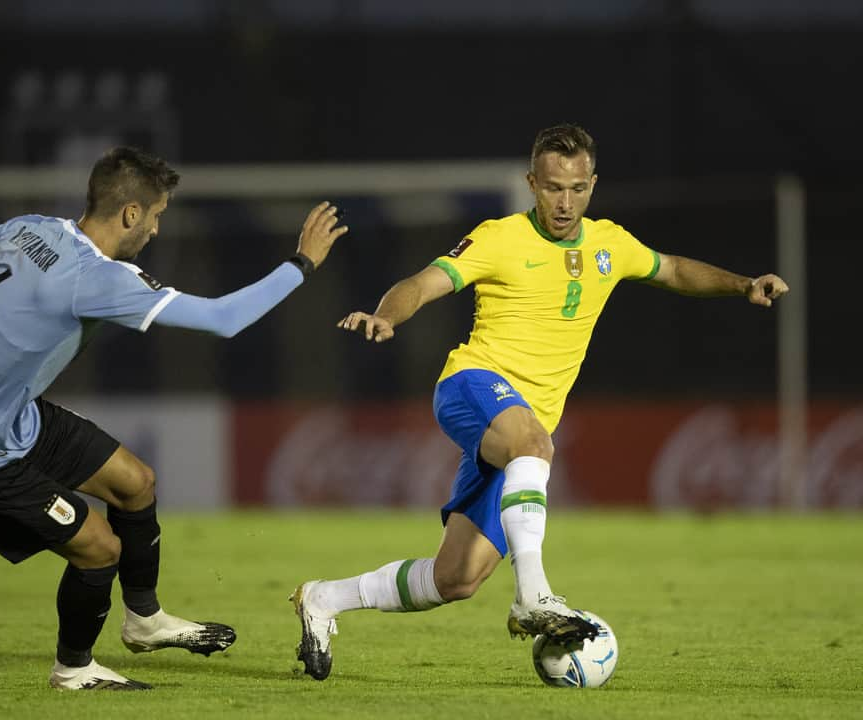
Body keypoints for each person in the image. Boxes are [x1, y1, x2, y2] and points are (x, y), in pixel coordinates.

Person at [0, 147, 348, 691]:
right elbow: (225, 319)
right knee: (99, 548)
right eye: (155, 217)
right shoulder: (100, 279)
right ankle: (74, 669)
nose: (155, 230)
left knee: (135, 483)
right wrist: (301, 263)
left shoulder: (29, 229)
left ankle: (144, 619)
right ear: (131, 213)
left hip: (11, 419)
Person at [289, 123, 789, 681]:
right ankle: (535, 596)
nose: (565, 202)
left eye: (576, 188)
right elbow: (423, 283)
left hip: (520, 435)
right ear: (532, 182)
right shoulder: (499, 237)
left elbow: (671, 268)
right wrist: (387, 314)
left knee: (458, 578)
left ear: (592, 185)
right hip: (472, 386)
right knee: (534, 441)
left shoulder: (610, 244)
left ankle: (323, 599)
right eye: (553, 187)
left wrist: (743, 284)